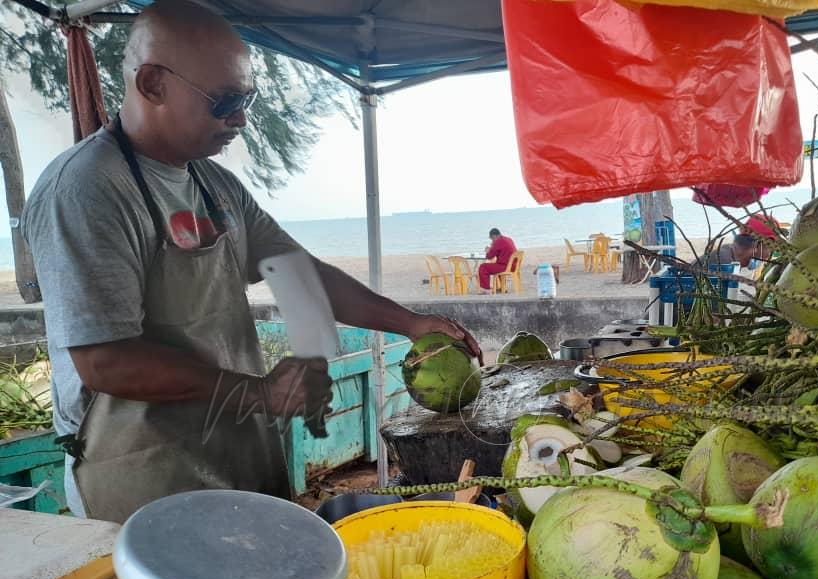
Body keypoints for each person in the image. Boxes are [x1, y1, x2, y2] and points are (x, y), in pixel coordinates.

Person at [21, 0, 481, 523]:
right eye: (225, 101)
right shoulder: (87, 191)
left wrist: (409, 323)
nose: (240, 118)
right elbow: (105, 360)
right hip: (145, 479)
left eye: (248, 98)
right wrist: (259, 392)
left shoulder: (214, 184)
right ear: (152, 83)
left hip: (235, 451)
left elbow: (298, 276)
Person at [477, 228, 517, 293]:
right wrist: (493, 247)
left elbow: (489, 257)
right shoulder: (508, 239)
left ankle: (486, 289)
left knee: (483, 267)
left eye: (492, 239)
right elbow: (498, 251)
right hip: (514, 265)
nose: (492, 240)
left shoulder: (498, 241)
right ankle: (503, 288)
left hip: (506, 267)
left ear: (494, 236)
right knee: (496, 265)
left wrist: (488, 251)